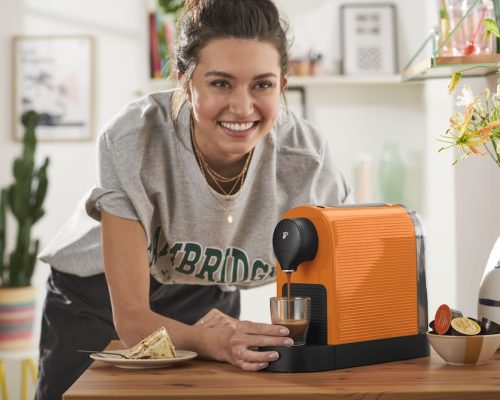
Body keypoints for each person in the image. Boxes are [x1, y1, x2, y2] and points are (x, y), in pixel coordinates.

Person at [35, 0, 352, 398]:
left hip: (204, 295)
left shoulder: (307, 159)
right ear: (185, 82)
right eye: (220, 83)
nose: (242, 106)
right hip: (96, 297)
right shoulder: (133, 139)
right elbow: (132, 320)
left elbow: (344, 288)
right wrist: (212, 341)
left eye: (262, 84)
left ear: (283, 85)